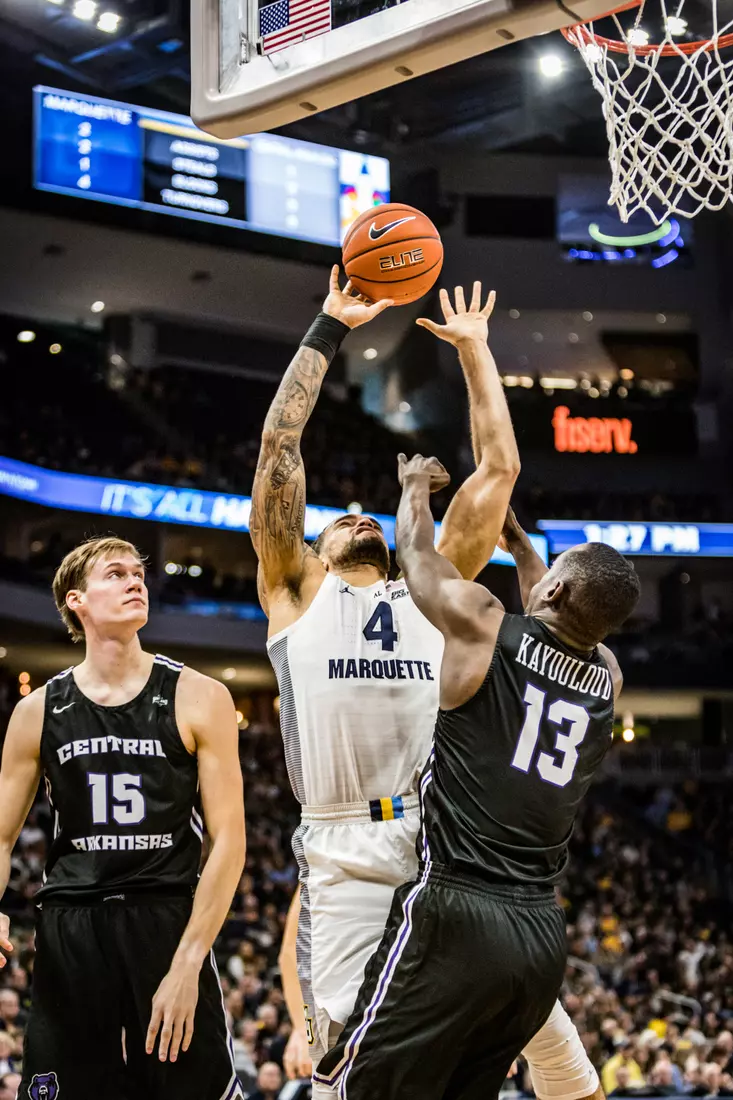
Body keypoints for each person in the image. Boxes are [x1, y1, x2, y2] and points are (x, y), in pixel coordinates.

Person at [252, 269, 606, 1100]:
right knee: (344, 1067)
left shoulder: (434, 585)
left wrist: (477, 353)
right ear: (310, 550)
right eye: (338, 515)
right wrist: (328, 328)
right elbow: (279, 451)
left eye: (365, 508)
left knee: (555, 1052)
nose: (356, 509)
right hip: (339, 850)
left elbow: (498, 469)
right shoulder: (294, 592)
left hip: (441, 851)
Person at [316, 457, 640, 1099]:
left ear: (552, 592)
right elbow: (561, 616)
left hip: (456, 907)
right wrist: (521, 548)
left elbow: (414, 555)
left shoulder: (485, 627)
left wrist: (410, 487)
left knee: (353, 1086)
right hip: (541, 937)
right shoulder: (608, 679)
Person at [0, 536, 246, 1100]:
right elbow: (2, 834)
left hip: (165, 921)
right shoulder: (37, 710)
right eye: (115, 574)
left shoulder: (199, 696)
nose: (136, 581)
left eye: (139, 573)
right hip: (72, 928)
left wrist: (188, 963)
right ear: (76, 600)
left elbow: (230, 842)